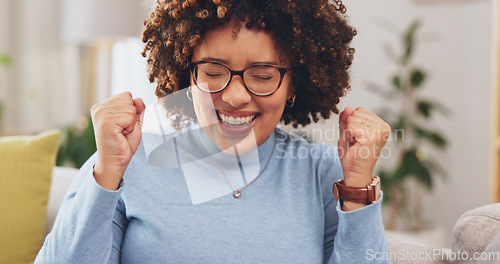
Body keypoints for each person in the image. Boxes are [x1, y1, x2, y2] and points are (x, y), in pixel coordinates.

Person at [35, 0, 392, 263]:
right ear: (186, 75)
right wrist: (107, 174)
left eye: (263, 76)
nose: (235, 96)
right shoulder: (128, 162)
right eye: (213, 71)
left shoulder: (321, 172)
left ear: (293, 84)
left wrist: (358, 188)